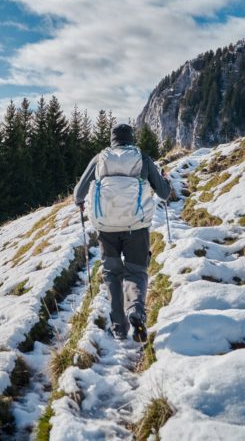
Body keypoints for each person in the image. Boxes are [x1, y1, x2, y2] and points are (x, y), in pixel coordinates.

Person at [73, 123, 171, 342]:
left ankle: (118, 328)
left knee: (112, 273)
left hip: (106, 228)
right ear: (131, 138)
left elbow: (78, 192)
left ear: (112, 139)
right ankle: (136, 310)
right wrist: (165, 180)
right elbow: (164, 193)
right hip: (136, 227)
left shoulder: (100, 158)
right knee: (136, 271)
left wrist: (80, 202)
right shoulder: (142, 159)